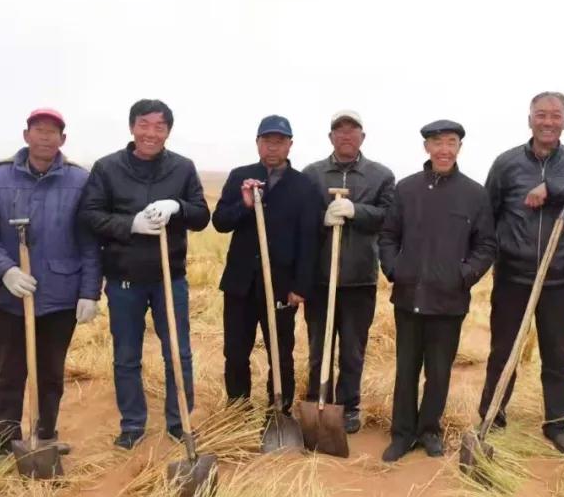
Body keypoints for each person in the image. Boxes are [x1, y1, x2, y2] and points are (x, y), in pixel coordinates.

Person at [478, 92, 564, 453]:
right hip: (513, 277)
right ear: (530, 118)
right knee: (503, 351)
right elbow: (488, 214)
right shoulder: (507, 163)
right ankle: (492, 416)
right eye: (541, 115)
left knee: (557, 354)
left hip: (559, 278)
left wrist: (554, 187)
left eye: (555, 115)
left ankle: (557, 423)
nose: (548, 122)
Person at [78, 99, 210, 449]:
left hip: (170, 279)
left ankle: (180, 422)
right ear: (132, 127)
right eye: (144, 125)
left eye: (159, 126)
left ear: (168, 131)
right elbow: (89, 215)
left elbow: (201, 216)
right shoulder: (107, 168)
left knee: (178, 353)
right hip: (124, 279)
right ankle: (133, 425)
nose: (151, 133)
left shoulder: (182, 168)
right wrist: (129, 224)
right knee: (126, 356)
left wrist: (178, 206)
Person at [0, 108, 102, 458]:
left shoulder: (80, 181)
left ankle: (45, 437)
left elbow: (90, 240)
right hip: (10, 297)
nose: (45, 136)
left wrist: (90, 291)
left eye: (52, 131)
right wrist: (5, 270)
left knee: (51, 373)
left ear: (63, 139)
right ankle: (7, 441)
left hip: (61, 296)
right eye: (38, 129)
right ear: (26, 135)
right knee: (10, 372)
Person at [378, 120, 495, 462]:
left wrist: (464, 275)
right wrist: (394, 269)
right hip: (409, 297)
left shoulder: (474, 194)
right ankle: (402, 434)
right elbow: (388, 236)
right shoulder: (406, 189)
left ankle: (429, 430)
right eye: (437, 142)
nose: (444, 149)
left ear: (459, 147)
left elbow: (486, 245)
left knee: (439, 372)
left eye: (451, 142)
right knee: (406, 370)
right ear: (426, 147)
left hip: (449, 300)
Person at [212, 115, 323, 415]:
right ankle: (238, 409)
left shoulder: (303, 186)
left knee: (281, 352)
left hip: (282, 286)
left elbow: (310, 240)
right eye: (267, 141)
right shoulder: (241, 177)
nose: (272, 147)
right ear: (257, 143)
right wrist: (245, 205)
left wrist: (301, 286)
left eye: (279, 141)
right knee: (236, 350)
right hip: (240, 283)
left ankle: (279, 410)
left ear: (289, 145)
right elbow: (220, 222)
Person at [301, 110, 395, 433]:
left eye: (352, 130)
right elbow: (300, 218)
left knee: (353, 350)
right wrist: (321, 218)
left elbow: (389, 216)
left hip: (359, 279)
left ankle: (349, 406)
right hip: (320, 278)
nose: (345, 135)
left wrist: (357, 211)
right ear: (331, 137)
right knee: (319, 348)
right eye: (339, 130)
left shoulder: (380, 176)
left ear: (362, 137)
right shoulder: (312, 174)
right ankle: (317, 401)